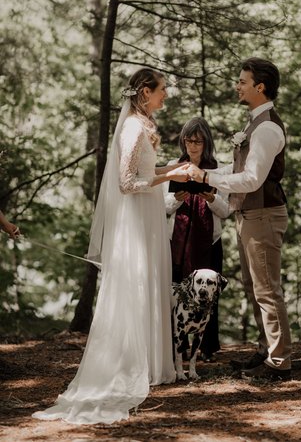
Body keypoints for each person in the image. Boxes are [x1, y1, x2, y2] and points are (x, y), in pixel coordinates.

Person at [32, 68, 189, 424]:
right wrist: (169, 176)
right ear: (146, 92)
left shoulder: (142, 123)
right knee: (134, 286)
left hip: (148, 216)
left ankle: (150, 362)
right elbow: (127, 182)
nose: (166, 95)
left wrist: (173, 168)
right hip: (135, 222)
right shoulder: (133, 127)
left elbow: (143, 171)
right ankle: (129, 363)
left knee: (149, 283)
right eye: (162, 89)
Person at [187, 57, 292, 381]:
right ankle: (265, 349)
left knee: (266, 290)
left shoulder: (267, 128)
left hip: (263, 214)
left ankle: (279, 362)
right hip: (249, 215)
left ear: (260, 87)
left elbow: (251, 180)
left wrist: (206, 178)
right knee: (253, 286)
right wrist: (200, 173)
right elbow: (236, 172)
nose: (238, 85)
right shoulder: (254, 124)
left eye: (243, 81)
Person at [164, 117, 232, 361]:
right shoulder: (173, 165)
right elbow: (163, 207)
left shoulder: (218, 169)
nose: (192, 146)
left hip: (209, 242)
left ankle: (207, 347)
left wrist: (212, 198)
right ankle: (175, 346)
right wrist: (178, 198)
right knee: (177, 293)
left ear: (207, 143)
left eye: (198, 141)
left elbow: (226, 211)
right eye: (188, 140)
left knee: (208, 295)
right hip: (177, 243)